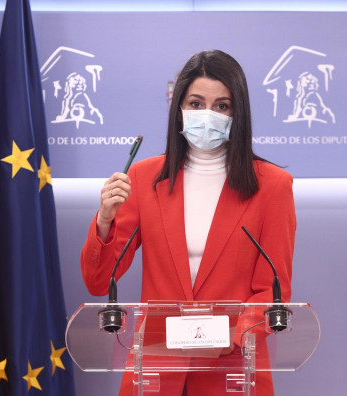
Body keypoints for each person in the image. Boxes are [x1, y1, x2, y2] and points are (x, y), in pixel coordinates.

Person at [80, 50, 296, 396]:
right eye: (196, 104)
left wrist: (224, 338)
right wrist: (105, 220)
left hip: (231, 370)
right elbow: (97, 281)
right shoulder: (144, 177)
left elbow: (273, 291)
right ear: (179, 108)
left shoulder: (272, 186)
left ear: (237, 113)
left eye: (221, 106)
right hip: (154, 373)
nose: (207, 114)